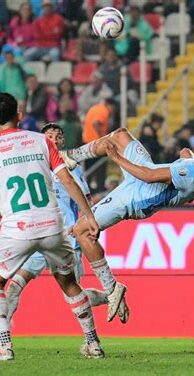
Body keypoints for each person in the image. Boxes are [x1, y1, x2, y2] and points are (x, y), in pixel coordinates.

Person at [61, 128, 194, 323]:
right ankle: (70, 157)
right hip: (145, 182)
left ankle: (111, 288)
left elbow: (148, 175)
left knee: (82, 231)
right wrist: (188, 157)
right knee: (120, 135)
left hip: (137, 197)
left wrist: (115, 158)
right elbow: (191, 167)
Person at [0, 92, 103, 360]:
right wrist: (89, 215)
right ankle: (93, 343)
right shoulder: (41, 142)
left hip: (17, 229)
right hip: (52, 227)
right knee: (69, 283)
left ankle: (4, 345)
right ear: (19, 115)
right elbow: (68, 180)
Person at [5, 123, 125, 324]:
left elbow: (87, 199)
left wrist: (84, 221)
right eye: (49, 134)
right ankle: (4, 339)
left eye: (58, 135)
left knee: (74, 293)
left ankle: (110, 297)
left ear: (62, 141)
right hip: (38, 233)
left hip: (66, 240)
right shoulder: (31, 165)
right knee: (14, 286)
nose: (54, 138)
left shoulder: (71, 168)